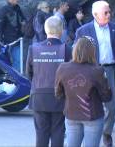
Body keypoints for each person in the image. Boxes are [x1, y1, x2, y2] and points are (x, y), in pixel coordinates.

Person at [75, 0, 115, 147]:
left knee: (112, 105)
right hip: (92, 71)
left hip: (111, 70)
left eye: (109, 11)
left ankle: (106, 133)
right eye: (105, 12)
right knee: (91, 103)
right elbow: (77, 53)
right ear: (95, 15)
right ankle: (92, 134)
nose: (109, 14)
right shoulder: (83, 31)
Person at [55, 36, 112, 147]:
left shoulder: (62, 68)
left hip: (71, 114)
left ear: (75, 50)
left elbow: (58, 94)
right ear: (92, 52)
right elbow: (107, 97)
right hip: (93, 116)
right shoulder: (97, 70)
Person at [26, 16, 72, 147]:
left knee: (41, 133)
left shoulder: (33, 49)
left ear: (46, 30)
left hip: (39, 95)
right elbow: (70, 74)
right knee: (58, 131)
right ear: (62, 30)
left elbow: (29, 73)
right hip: (59, 96)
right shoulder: (66, 49)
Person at [0, 0, 26, 71]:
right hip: (6, 40)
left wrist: (23, 22)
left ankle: (17, 78)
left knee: (18, 60)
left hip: (17, 39)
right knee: (5, 61)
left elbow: (23, 18)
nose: (17, 0)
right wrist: (0, 41)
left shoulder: (17, 8)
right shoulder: (3, 10)